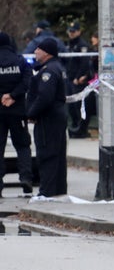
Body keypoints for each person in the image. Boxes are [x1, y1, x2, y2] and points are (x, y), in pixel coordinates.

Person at [26, 38, 68, 197]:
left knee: (47, 155)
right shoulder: (57, 67)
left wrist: (31, 113)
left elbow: (44, 97)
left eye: (38, 49)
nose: (35, 51)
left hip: (48, 120)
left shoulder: (49, 71)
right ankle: (58, 191)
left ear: (46, 52)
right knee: (57, 156)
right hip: (56, 117)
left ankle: (47, 192)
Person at [0, 32, 34, 196]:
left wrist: (3, 97)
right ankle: (26, 178)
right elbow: (27, 82)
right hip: (17, 111)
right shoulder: (20, 61)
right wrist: (13, 96)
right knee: (22, 146)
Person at [64, 22, 92, 138]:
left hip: (77, 80)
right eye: (70, 31)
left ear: (79, 32)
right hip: (69, 79)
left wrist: (78, 77)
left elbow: (84, 62)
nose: (71, 33)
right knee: (71, 106)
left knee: (78, 105)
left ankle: (81, 129)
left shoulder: (82, 45)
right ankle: (75, 126)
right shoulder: (69, 45)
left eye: (73, 31)